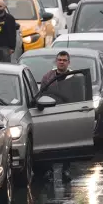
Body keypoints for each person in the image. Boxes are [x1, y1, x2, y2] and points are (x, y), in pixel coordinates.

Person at [40, 51, 73, 182]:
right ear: (56, 61)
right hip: (50, 114)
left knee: (68, 144)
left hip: (69, 115)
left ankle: (66, 170)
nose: (61, 62)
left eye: (64, 60)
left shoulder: (74, 77)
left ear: (68, 62)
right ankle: (49, 170)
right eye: (59, 60)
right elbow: (42, 94)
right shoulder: (47, 77)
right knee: (50, 144)